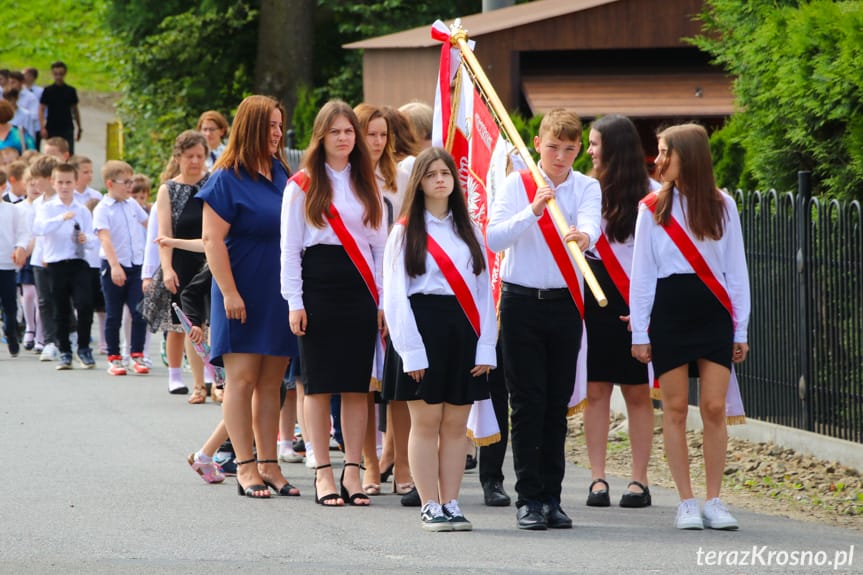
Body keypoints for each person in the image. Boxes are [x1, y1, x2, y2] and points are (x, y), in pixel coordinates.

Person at [630, 123, 750, 530]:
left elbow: (736, 270)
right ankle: (686, 501)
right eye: (658, 152)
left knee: (715, 408)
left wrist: (741, 329)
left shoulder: (723, 204)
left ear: (689, 156)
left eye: (666, 152)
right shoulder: (651, 208)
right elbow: (642, 275)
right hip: (670, 313)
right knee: (676, 409)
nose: (658, 160)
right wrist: (640, 333)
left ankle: (715, 500)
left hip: (714, 312)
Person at [487, 108, 601, 530]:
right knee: (527, 402)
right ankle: (528, 498)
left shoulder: (587, 186)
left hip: (565, 304)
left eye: (570, 149)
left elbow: (593, 223)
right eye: (553, 147)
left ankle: (552, 498)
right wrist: (533, 211)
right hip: (520, 303)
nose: (560, 156)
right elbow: (494, 237)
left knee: (557, 403)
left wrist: (584, 235)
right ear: (537, 144)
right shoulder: (519, 185)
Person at [383, 147, 496, 531]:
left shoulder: (469, 230)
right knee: (427, 421)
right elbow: (395, 294)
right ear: (419, 183)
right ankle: (429, 502)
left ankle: (451, 501)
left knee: (455, 424)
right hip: (421, 328)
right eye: (430, 174)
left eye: (445, 173)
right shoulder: (404, 231)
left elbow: (484, 292)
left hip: (463, 329)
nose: (440, 180)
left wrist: (486, 345)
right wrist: (411, 351)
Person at [280, 99, 386, 507]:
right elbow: (289, 251)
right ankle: (323, 472)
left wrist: (381, 301)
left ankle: (353, 471)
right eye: (335, 131)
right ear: (321, 136)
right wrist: (294, 301)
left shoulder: (367, 182)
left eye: (348, 131)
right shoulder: (302, 185)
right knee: (320, 384)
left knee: (358, 386)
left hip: (360, 289)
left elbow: (378, 247)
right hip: (317, 286)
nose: (343, 138)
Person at [200, 94, 300, 499]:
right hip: (238, 292)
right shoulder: (226, 178)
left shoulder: (281, 173)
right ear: (252, 127)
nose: (277, 133)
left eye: (280, 125)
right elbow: (211, 239)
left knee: (272, 383)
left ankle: (269, 463)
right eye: (271, 126)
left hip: (277, 292)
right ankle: (243, 464)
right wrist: (228, 291)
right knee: (240, 381)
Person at [582, 114, 656, 508]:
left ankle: (639, 480)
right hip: (595, 301)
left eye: (594, 144)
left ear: (614, 148)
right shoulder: (589, 192)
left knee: (637, 393)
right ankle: (597, 478)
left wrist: (647, 313)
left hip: (636, 303)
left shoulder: (655, 195)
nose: (589, 151)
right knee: (596, 392)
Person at [354, 103, 412, 498]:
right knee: (362, 384)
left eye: (383, 135)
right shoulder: (345, 179)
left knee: (400, 383)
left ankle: (402, 464)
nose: (377, 142)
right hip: (358, 286)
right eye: (370, 134)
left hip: (396, 285)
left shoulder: (400, 177)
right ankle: (370, 464)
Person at [155, 130, 208, 398]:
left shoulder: (213, 183)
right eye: (190, 157)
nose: (195, 162)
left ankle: (215, 381)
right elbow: (164, 234)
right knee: (188, 325)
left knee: (211, 326)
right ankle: (195, 383)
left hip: (210, 260)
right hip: (182, 260)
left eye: (200, 156)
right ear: (178, 157)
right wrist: (167, 268)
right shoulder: (169, 190)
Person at [33, 162, 98, 370]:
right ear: (53, 182)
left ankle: (84, 348)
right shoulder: (47, 208)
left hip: (79, 262)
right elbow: (39, 229)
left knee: (85, 304)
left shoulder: (82, 210)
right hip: (56, 263)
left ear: (75, 182)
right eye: (60, 182)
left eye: (68, 182)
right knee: (60, 309)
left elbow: (93, 238)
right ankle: (64, 351)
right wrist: (61, 218)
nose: (64, 186)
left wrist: (84, 239)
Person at [93, 161, 150, 376]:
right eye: (125, 182)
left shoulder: (132, 205)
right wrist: (115, 266)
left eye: (131, 181)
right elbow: (105, 239)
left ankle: (137, 354)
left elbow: (148, 223)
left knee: (139, 311)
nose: (129, 186)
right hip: (114, 265)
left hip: (136, 265)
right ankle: (114, 357)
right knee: (114, 314)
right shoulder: (102, 209)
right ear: (110, 183)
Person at [0, 182, 29, 357]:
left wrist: (20, 247)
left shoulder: (12, 210)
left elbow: (22, 232)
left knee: (10, 305)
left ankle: (11, 332)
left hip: (6, 264)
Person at [39, 62, 81, 154]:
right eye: (56, 74)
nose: (58, 77)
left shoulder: (70, 90)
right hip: (51, 126)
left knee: (68, 152)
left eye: (61, 74)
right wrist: (42, 127)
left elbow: (75, 110)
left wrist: (79, 127)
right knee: (51, 152)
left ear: (65, 74)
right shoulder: (48, 90)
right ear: (52, 74)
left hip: (67, 126)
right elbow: (41, 109)